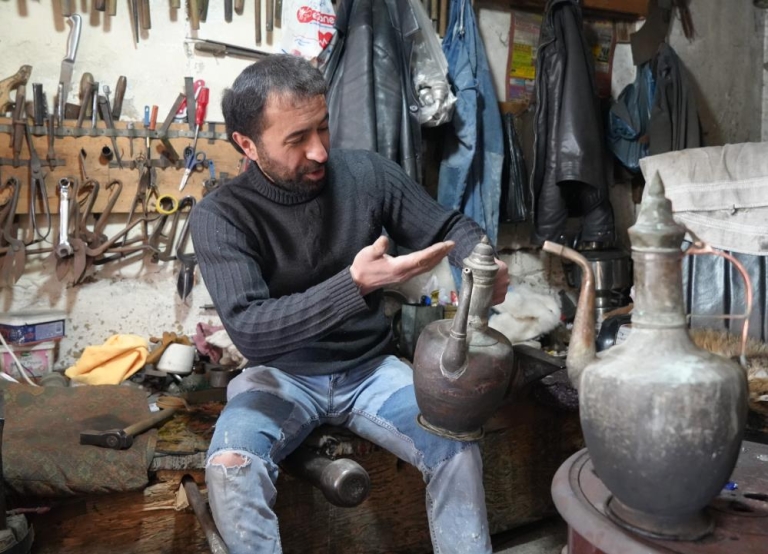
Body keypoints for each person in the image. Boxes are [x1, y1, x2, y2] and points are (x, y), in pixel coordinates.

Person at [190, 54, 509, 554]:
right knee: (232, 466)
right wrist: (353, 285)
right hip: (280, 376)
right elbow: (250, 330)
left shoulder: (367, 174)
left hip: (369, 371)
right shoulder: (221, 215)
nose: (319, 150)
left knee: (456, 445)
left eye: (323, 127)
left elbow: (448, 226)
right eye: (297, 138)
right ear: (247, 145)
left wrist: (481, 258)